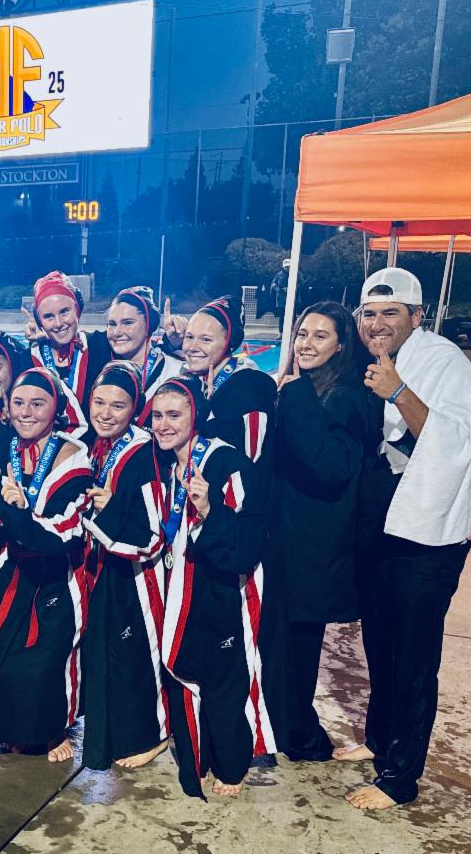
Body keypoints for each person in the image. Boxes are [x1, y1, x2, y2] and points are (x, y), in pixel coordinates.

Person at [335, 268, 471, 810]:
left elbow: (455, 441)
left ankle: (399, 779)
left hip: (426, 538)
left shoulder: (445, 361)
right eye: (369, 314)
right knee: (379, 644)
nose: (377, 323)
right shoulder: (365, 360)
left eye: (390, 313)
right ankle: (379, 742)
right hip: (379, 524)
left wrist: (397, 391)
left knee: (414, 658)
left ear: (418, 316)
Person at [152, 376, 267, 798]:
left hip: (223, 588)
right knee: (185, 673)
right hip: (182, 585)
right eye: (157, 416)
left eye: (174, 415)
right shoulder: (166, 463)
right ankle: (196, 757)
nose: (163, 425)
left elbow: (247, 543)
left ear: (196, 416)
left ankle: (232, 765)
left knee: (224, 681)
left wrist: (208, 511)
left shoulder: (227, 462)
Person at [270, 302, 373, 763]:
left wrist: (294, 398)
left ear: (341, 345)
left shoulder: (343, 396)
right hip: (290, 539)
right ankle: (286, 726)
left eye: (320, 336)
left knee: (298, 646)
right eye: (302, 334)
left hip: (312, 547)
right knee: (285, 642)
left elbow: (330, 465)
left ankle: (300, 735)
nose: (306, 344)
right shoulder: (309, 387)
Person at [182, 294, 283, 762]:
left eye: (206, 338)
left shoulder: (248, 385)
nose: (194, 345)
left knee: (233, 640)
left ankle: (238, 748)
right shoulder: (201, 383)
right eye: (190, 337)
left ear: (230, 343)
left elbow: (248, 462)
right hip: (206, 520)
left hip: (236, 525)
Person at [0, 366, 92, 763]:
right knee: (6, 655)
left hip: (56, 573)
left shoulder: (74, 460)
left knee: (47, 659)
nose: (26, 412)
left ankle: (52, 731)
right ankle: (12, 730)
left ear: (55, 409)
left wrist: (18, 513)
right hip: (14, 569)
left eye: (37, 404)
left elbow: (61, 534)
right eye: (19, 403)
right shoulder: (3, 449)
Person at [80, 361, 168, 770]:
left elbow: (153, 533)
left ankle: (152, 735)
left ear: (135, 409)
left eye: (118, 406)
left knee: (135, 657)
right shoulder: (92, 444)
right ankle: (111, 737)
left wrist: (110, 509)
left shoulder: (144, 453)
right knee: (105, 658)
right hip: (103, 568)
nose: (105, 413)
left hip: (136, 575)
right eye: (99, 402)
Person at [27, 272, 111, 435]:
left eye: (64, 311)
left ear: (77, 309)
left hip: (96, 448)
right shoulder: (28, 359)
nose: (58, 323)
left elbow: (134, 343)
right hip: (47, 449)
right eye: (48, 316)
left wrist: (167, 340)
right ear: (40, 322)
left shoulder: (101, 346)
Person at [106, 287, 184, 424]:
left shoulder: (177, 371)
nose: (117, 332)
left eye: (128, 323)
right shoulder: (103, 366)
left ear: (149, 325)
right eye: (112, 324)